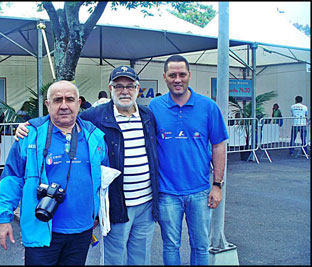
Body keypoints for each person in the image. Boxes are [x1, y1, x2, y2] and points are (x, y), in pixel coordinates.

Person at [14, 66, 160, 265]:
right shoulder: (95, 116)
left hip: (145, 202)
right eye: (118, 86)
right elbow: (62, 119)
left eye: (129, 86)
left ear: (137, 88)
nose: (124, 91)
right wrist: (28, 126)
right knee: (114, 258)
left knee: (141, 257)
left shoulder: (148, 116)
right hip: (118, 205)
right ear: (110, 88)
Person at [0, 80, 109, 265]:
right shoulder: (30, 135)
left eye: (69, 99)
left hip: (82, 231)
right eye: (57, 100)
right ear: (47, 105)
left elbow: (104, 181)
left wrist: (97, 215)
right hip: (41, 229)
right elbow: (12, 178)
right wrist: (3, 218)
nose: (64, 105)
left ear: (79, 103)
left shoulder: (95, 136)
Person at [148, 54, 228, 265]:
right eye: (172, 75)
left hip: (200, 191)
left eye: (182, 74)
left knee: (200, 246)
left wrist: (217, 185)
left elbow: (219, 145)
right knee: (171, 245)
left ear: (189, 75)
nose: (177, 79)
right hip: (167, 193)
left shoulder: (208, 107)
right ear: (164, 77)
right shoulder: (154, 107)